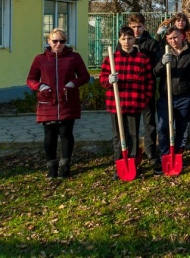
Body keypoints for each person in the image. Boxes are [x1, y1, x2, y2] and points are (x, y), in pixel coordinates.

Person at [27, 28, 90, 178]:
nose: (58, 44)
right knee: (50, 136)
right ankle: (52, 167)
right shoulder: (40, 59)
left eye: (62, 41)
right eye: (55, 41)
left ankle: (65, 166)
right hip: (47, 102)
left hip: (67, 100)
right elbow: (30, 79)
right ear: (48, 42)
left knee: (66, 134)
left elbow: (84, 76)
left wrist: (73, 83)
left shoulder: (73, 57)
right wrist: (38, 86)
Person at [100, 26, 154, 179]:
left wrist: (143, 99)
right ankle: (120, 164)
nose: (126, 41)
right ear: (119, 40)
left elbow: (149, 82)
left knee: (133, 134)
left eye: (129, 38)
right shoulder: (112, 58)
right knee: (118, 135)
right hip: (116, 104)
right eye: (123, 38)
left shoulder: (142, 59)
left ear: (134, 39)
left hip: (134, 103)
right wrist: (108, 80)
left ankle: (133, 163)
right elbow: (103, 78)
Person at [153, 26, 190, 175]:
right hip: (166, 96)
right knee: (163, 127)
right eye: (170, 38)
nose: (174, 41)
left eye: (176, 37)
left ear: (182, 36)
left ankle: (177, 156)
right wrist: (161, 63)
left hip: (185, 96)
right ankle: (165, 156)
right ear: (166, 39)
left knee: (182, 128)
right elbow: (155, 72)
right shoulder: (162, 54)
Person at [126, 13, 162, 166]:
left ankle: (151, 151)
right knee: (132, 123)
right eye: (133, 27)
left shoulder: (151, 43)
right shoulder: (124, 41)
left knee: (149, 122)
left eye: (139, 27)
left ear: (144, 26)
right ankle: (133, 152)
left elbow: (155, 68)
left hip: (147, 88)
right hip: (130, 90)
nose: (136, 30)